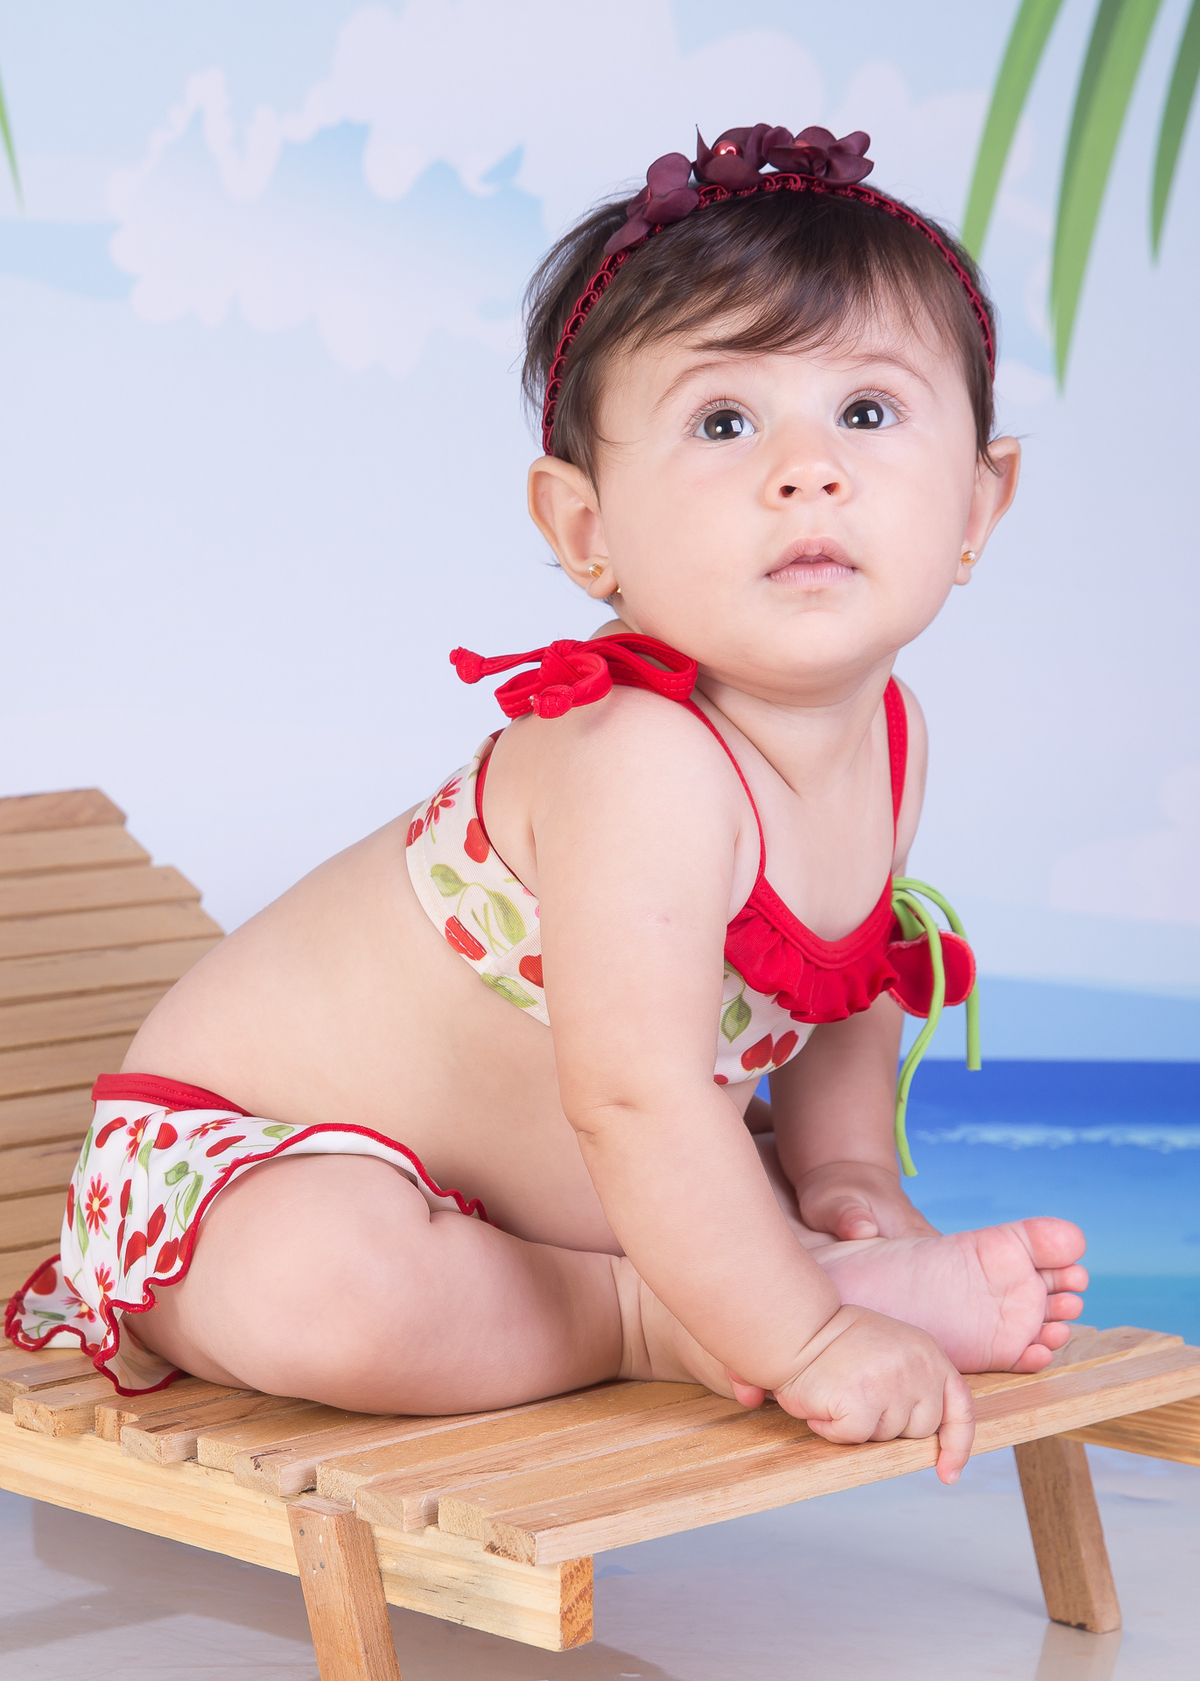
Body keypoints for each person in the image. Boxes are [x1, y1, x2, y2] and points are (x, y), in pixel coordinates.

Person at [9, 124, 1088, 1485]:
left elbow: (849, 975)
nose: (807, 469)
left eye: (867, 413)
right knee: (322, 1286)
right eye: (725, 421)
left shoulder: (890, 733)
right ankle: (648, 1318)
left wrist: (849, 1171)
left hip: (544, 1186)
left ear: (980, 503)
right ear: (587, 531)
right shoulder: (635, 755)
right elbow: (633, 1101)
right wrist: (808, 1339)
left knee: (722, 1174)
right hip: (253, 1156)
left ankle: (773, 1257)